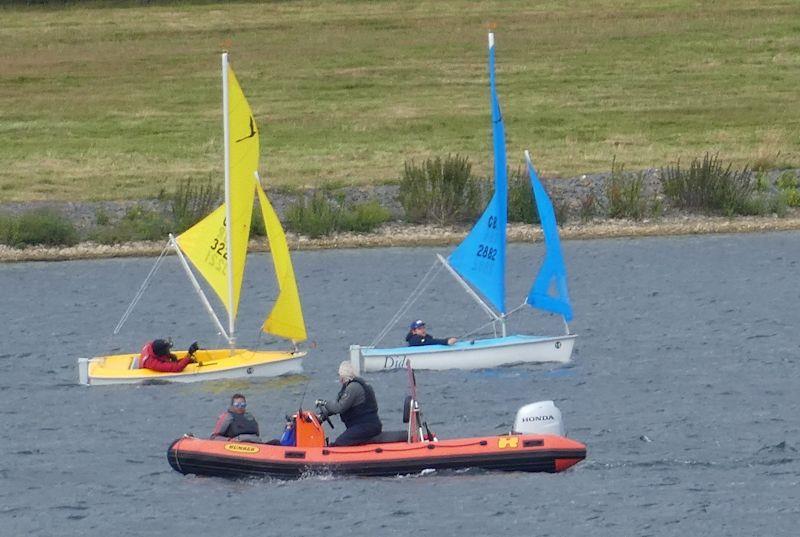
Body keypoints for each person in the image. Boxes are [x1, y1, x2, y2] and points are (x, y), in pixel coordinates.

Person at [316, 361, 382, 447]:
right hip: (362, 425)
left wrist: (324, 403)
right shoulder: (351, 386)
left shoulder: (353, 387)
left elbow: (339, 408)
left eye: (340, 375)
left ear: (344, 376)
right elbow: (338, 404)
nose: (339, 378)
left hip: (366, 426)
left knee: (339, 443)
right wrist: (322, 416)